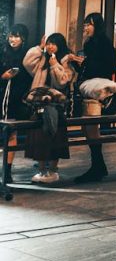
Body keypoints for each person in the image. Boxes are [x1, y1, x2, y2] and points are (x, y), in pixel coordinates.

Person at [69, 13, 116, 183]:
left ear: (97, 26)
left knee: (91, 127)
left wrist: (85, 63)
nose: (86, 28)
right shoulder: (89, 44)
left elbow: (108, 68)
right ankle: (98, 165)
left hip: (97, 92)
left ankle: (97, 166)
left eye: (89, 24)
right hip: (87, 90)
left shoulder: (105, 44)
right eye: (85, 25)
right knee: (87, 128)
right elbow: (86, 69)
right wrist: (77, 62)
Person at [23, 33, 75, 184]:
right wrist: (39, 48)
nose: (50, 46)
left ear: (60, 45)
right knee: (39, 136)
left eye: (54, 43)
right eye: (49, 43)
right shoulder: (43, 59)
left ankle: (53, 170)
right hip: (39, 103)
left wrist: (55, 65)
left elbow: (62, 82)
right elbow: (27, 63)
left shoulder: (65, 61)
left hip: (56, 105)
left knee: (55, 135)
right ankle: (41, 170)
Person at [0, 24, 32, 183]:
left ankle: (7, 171)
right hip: (2, 95)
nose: (13, 39)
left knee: (11, 133)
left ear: (23, 38)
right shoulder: (2, 52)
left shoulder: (27, 55)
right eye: (11, 36)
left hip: (16, 98)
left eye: (17, 36)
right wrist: (3, 76)